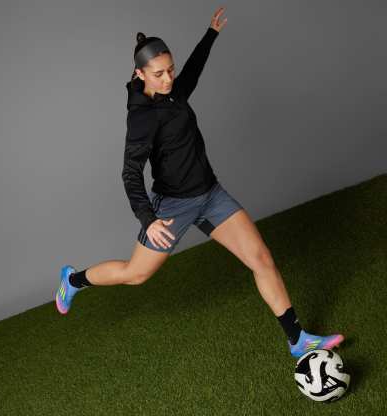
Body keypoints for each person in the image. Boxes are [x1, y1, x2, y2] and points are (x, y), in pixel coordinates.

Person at [55, 7, 345, 358]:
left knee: (261, 258)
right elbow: (130, 173)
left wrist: (211, 34)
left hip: (211, 195)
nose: (168, 79)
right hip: (173, 207)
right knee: (135, 274)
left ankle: (297, 340)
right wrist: (148, 219)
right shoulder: (142, 119)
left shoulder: (174, 91)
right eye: (159, 74)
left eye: (170, 70)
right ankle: (74, 279)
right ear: (140, 74)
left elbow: (192, 71)